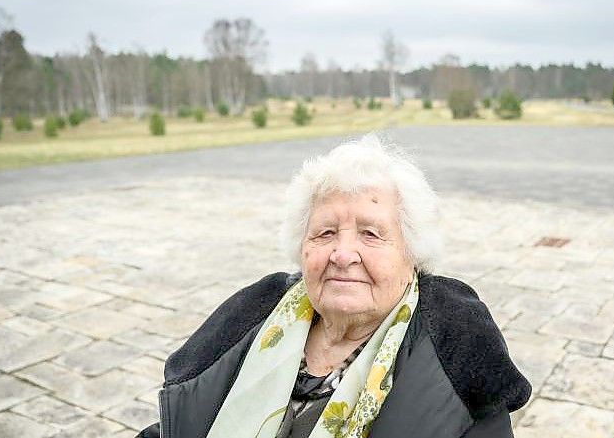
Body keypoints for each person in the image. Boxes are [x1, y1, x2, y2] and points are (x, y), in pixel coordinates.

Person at [137, 135, 531, 438]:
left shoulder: (459, 354)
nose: (343, 254)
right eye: (325, 233)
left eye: (371, 234)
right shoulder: (249, 320)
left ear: (412, 253)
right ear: (301, 247)